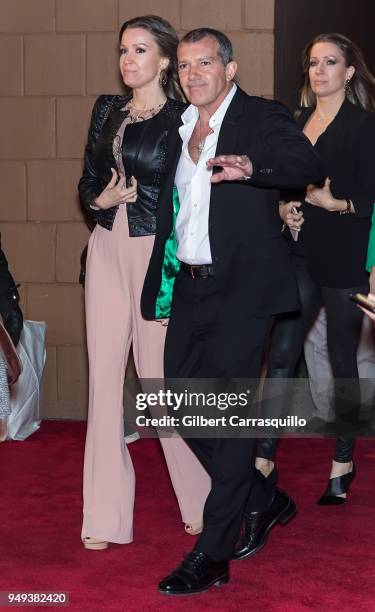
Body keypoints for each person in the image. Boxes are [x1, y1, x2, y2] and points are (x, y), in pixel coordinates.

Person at [141, 28, 323, 595]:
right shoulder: (176, 126)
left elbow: (303, 161)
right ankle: (261, 496)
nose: (193, 74)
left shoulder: (260, 116)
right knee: (176, 398)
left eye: (205, 64)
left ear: (230, 68)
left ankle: (213, 554)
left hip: (244, 288)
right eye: (186, 66)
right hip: (190, 286)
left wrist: (254, 166)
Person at [78, 15, 210, 551]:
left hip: (159, 256)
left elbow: (195, 194)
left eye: (139, 50)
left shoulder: (185, 117)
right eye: (122, 51)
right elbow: (88, 177)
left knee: (160, 385)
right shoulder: (106, 111)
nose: (127, 60)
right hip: (108, 248)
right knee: (105, 383)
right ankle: (103, 518)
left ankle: (204, 500)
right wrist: (98, 199)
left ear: (163, 60)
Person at [256, 33, 375, 504]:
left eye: (330, 62)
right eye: (313, 63)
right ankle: (263, 458)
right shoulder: (295, 120)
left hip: (344, 256)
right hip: (299, 254)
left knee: (342, 359)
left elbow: (371, 196)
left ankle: (342, 459)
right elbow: (282, 181)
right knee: (283, 353)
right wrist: (285, 206)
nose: (319, 70)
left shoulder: (365, 126)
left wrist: (337, 202)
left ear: (349, 72)